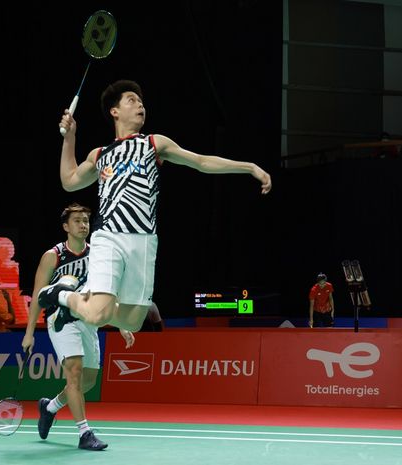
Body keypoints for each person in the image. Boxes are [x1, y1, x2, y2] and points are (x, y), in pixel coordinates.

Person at [39, 79, 272, 333]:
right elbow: (69, 181)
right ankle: (63, 295)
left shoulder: (153, 143)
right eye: (131, 100)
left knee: (133, 321)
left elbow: (201, 161)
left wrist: (249, 167)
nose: (140, 105)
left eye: (141, 101)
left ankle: (69, 302)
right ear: (114, 111)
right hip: (109, 236)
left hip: (144, 240)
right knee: (98, 313)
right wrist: (69, 138)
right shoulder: (100, 154)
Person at [22, 203, 135, 451]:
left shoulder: (96, 255)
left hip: (87, 319)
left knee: (88, 382)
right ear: (65, 226)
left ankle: (49, 407)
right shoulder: (53, 256)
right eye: (77, 221)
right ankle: (85, 433)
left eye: (85, 220)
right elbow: (39, 293)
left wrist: (120, 324)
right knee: (73, 373)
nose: (83, 225)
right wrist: (29, 333)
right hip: (60, 319)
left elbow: (105, 292)